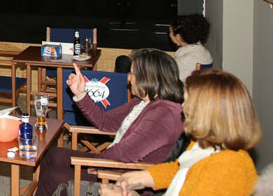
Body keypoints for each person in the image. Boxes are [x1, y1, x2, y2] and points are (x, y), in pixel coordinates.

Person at [36, 48, 185, 196]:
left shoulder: (164, 115)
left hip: (123, 179)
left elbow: (125, 153)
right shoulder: (142, 101)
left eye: (132, 73)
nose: (128, 78)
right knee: (53, 155)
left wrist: (93, 165)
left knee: (54, 178)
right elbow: (106, 121)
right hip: (113, 163)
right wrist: (81, 93)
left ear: (148, 78)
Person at [101, 69, 261, 196]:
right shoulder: (205, 145)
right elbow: (182, 169)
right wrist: (137, 178)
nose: (183, 107)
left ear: (206, 111)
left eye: (188, 101)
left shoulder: (228, 168)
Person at [169, 14, 212, 80]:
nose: (169, 35)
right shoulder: (205, 52)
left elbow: (171, 80)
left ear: (178, 37)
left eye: (170, 32)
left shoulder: (183, 61)